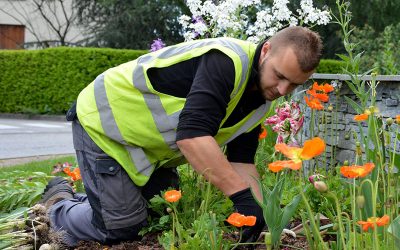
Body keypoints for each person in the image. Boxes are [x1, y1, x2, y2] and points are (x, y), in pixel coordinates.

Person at [40, 26, 322, 246]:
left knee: (165, 214)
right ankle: (56, 208)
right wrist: (240, 196)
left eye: (294, 84)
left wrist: (262, 213)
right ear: (266, 51)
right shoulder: (226, 62)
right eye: (280, 76)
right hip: (105, 126)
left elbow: (242, 160)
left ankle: (94, 198)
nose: (283, 90)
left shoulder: (261, 100)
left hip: (145, 147)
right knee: (121, 227)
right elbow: (192, 136)